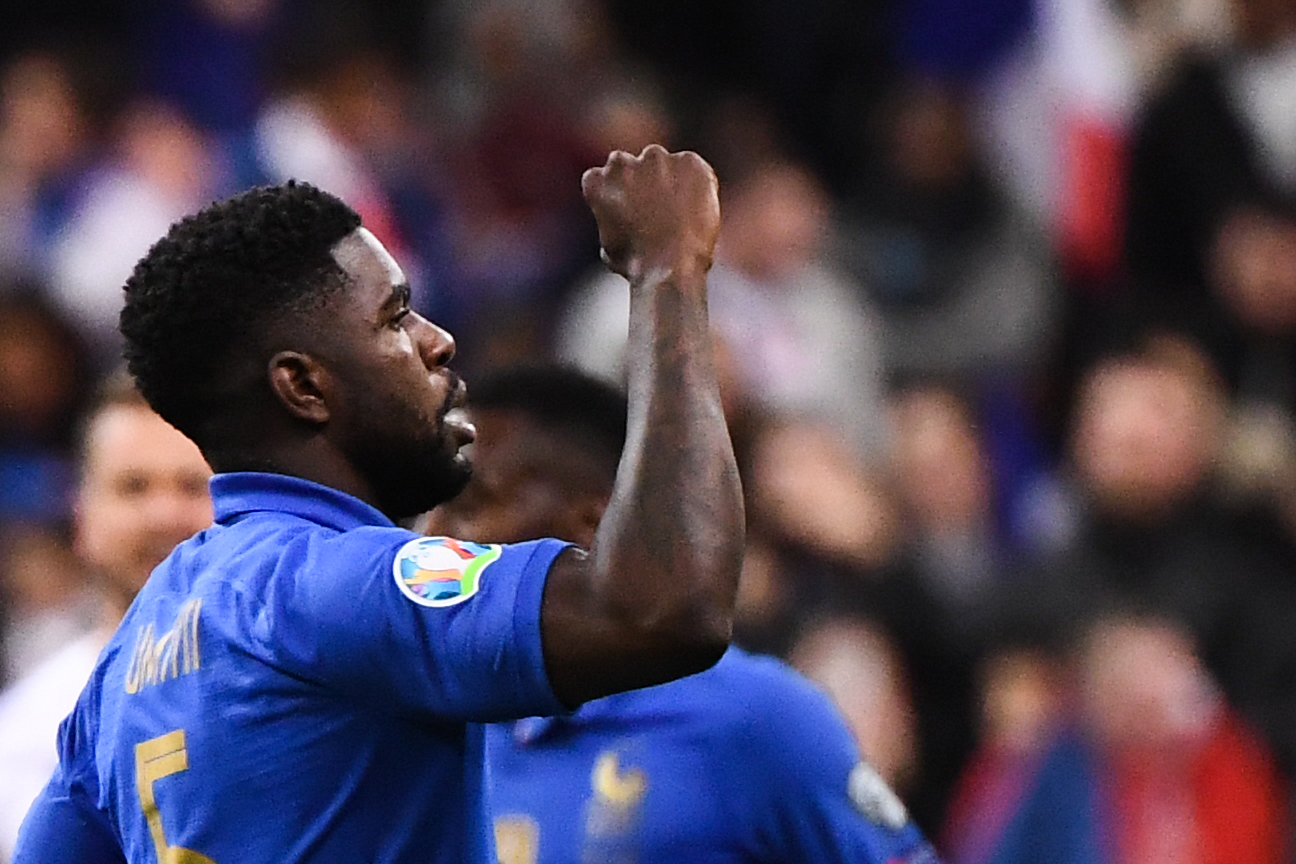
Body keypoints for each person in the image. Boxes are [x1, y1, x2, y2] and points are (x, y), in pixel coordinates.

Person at [13, 144, 745, 864]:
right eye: (396, 319)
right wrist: (667, 270)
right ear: (303, 386)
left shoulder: (129, 659)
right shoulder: (328, 584)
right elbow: (661, 609)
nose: (438, 341)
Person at [427, 364, 939, 864]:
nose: (431, 536)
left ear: (593, 523)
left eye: (471, 504)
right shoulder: (433, 725)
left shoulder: (753, 718)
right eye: (430, 504)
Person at [0, 369, 213, 861]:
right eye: (134, 488)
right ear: (80, 516)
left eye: (191, 486)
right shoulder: (28, 735)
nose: (164, 515)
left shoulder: (305, 682)